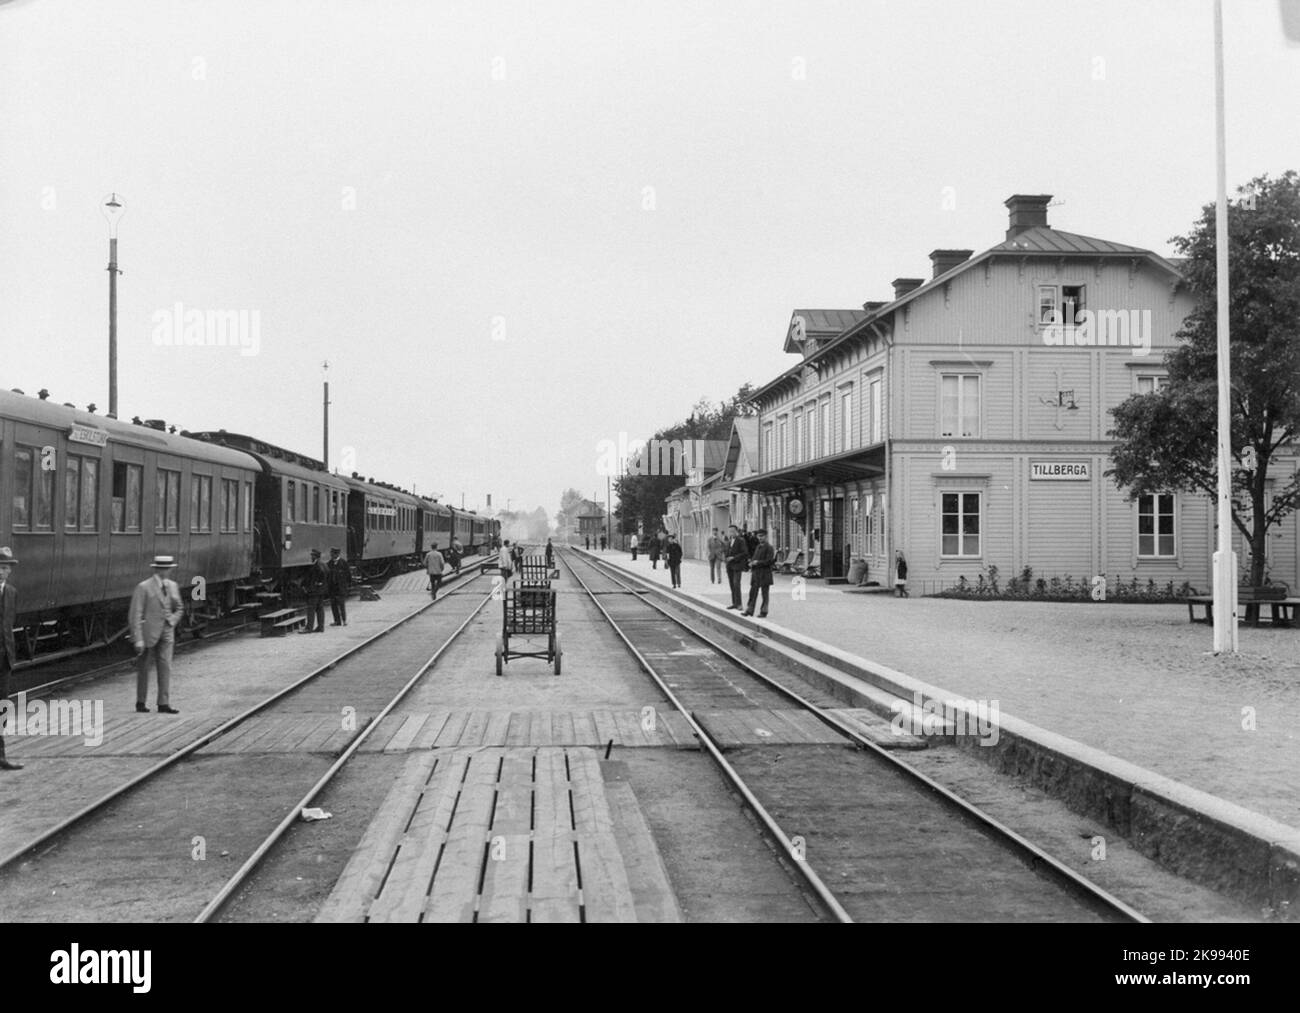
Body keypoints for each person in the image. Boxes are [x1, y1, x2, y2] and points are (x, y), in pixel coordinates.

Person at [129, 554, 185, 713]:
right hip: (148, 632)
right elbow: (135, 614)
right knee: (144, 668)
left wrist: (172, 620)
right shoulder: (144, 587)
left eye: (168, 569)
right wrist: (137, 638)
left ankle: (163, 703)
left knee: (166, 666)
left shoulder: (173, 586)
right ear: (157, 569)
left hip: (167, 631)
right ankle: (141, 702)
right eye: (163, 568)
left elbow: (179, 607)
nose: (166, 571)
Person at [0, 547, 22, 769]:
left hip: (4, 659)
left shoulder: (12, 593)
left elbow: (10, 625)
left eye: (5, 568)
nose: (1, 572)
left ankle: (0, 756)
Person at [744, 530, 776, 618]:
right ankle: (749, 610)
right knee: (753, 593)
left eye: (762, 536)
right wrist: (751, 562)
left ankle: (764, 611)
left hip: (765, 574)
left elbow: (769, 561)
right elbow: (754, 558)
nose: (760, 538)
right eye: (758, 536)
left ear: (766, 536)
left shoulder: (769, 547)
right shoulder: (758, 546)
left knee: (765, 594)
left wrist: (757, 562)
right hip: (756, 574)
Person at [301, 548, 328, 633]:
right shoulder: (324, 564)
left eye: (312, 555)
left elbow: (322, 573)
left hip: (315, 591)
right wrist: (323, 584)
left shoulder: (317, 565)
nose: (311, 557)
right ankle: (321, 627)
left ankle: (309, 628)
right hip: (321, 591)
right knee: (320, 608)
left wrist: (318, 583)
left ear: (315, 556)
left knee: (311, 609)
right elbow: (328, 573)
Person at [724, 524, 749, 611]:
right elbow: (727, 552)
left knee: (736, 584)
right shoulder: (729, 541)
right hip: (729, 566)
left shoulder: (741, 540)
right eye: (730, 531)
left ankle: (739, 604)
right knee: (732, 585)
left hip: (737, 566)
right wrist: (726, 558)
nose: (731, 533)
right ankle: (734, 603)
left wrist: (734, 558)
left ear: (737, 531)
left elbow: (745, 553)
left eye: (733, 531)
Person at [327, 547, 351, 625]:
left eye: (332, 554)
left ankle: (344, 620)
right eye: (331, 553)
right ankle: (337, 621)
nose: (331, 555)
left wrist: (346, 587)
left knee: (341, 605)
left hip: (341, 589)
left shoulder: (343, 563)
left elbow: (348, 576)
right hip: (332, 589)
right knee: (334, 606)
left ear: (336, 554)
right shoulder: (329, 563)